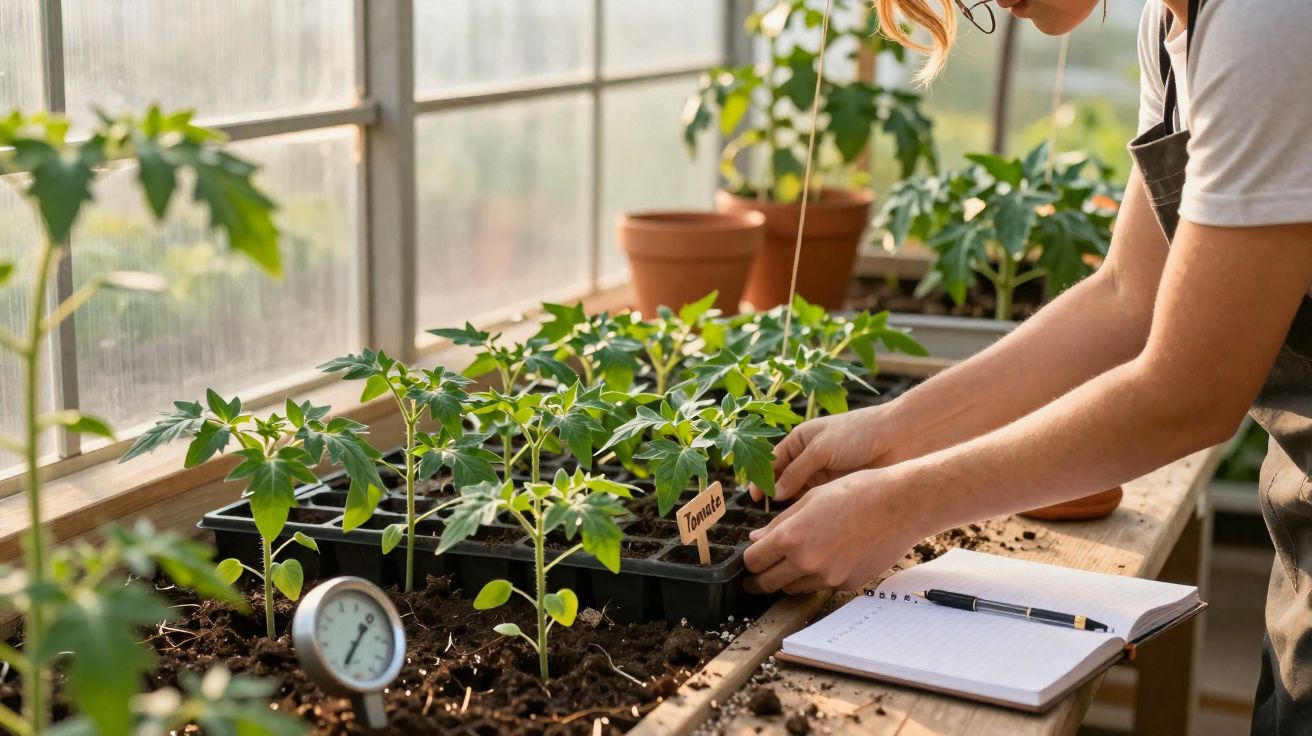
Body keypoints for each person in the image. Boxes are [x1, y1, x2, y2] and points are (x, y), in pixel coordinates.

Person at [741, 0, 1312, 731]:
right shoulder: (1174, 31)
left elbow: (1190, 392)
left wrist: (898, 504)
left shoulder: (1270, 23)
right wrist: (895, 430)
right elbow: (1126, 296)